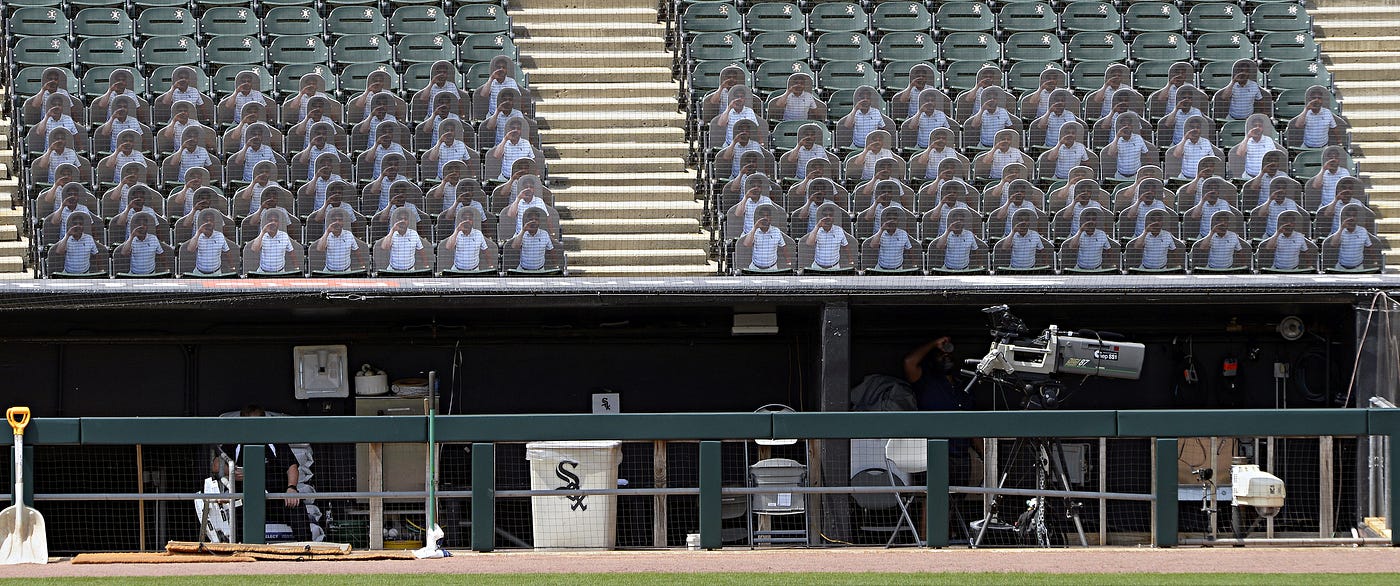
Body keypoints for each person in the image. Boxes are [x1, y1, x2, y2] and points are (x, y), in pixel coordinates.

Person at [217, 405, 309, 542]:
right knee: (237, 515)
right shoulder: (235, 442)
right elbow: (216, 464)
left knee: (297, 506)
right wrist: (231, 471)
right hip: (245, 500)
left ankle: (308, 548)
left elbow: (292, 466)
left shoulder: (274, 442)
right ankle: (243, 553)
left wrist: (292, 488)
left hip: (276, 498)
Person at [904, 337, 967, 411]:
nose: (946, 355)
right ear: (932, 360)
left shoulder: (964, 385)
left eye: (948, 353)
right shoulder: (925, 381)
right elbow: (908, 362)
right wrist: (935, 343)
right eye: (940, 354)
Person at [116, 211, 166, 275]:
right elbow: (124, 253)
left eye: (144, 225)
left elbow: (161, 254)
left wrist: (166, 268)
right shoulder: (131, 239)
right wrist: (131, 237)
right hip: (134, 275)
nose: (142, 227)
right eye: (139, 225)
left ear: (147, 226)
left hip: (151, 274)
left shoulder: (153, 238)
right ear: (135, 226)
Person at [313, 208, 362, 273]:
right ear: (331, 222)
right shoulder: (327, 235)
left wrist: (362, 265)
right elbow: (320, 249)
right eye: (335, 220)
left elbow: (356, 251)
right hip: (329, 271)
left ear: (343, 222)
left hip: (346, 271)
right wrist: (327, 231)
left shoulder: (349, 235)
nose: (337, 222)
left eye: (340, 220)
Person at [1233, 114, 1278, 179]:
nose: (1257, 128)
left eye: (1260, 126)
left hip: (1265, 176)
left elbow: (1274, 158)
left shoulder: (1269, 140)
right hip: (1249, 176)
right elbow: (1240, 154)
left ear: (1263, 128)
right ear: (1251, 128)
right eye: (1255, 126)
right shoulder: (1247, 140)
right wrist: (1247, 137)